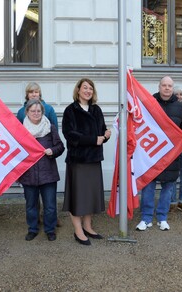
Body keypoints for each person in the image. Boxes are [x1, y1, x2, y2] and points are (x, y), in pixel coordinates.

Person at [136, 76, 182, 231]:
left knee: (168, 188)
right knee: (148, 187)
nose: (167, 88)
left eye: (169, 86)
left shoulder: (180, 107)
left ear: (172, 88)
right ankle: (146, 218)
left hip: (171, 154)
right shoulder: (149, 104)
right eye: (164, 85)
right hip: (152, 153)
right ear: (159, 86)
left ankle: (162, 217)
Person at [62, 78, 111, 246]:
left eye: (90, 88)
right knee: (77, 197)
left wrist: (106, 134)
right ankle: (78, 230)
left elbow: (101, 131)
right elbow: (70, 134)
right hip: (78, 160)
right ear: (78, 90)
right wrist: (93, 139)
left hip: (94, 159)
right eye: (85, 88)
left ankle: (88, 226)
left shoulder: (96, 110)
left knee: (90, 196)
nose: (88, 91)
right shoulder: (71, 110)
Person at [16, 82, 62, 227]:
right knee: (31, 204)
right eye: (31, 92)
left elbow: (58, 142)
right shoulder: (20, 115)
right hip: (29, 170)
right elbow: (16, 141)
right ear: (27, 112)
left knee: (50, 204)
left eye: (36, 92)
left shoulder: (49, 117)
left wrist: (52, 151)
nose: (35, 113)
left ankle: (50, 227)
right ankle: (33, 227)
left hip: (46, 169)